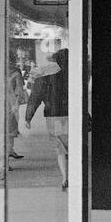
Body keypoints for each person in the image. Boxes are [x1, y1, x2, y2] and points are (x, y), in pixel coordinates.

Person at [25, 50, 71, 188]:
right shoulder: (73, 74)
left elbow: (35, 98)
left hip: (53, 115)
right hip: (71, 114)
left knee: (60, 147)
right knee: (71, 144)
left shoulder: (45, 76)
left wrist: (28, 117)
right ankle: (74, 174)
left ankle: (65, 177)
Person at [7, 50, 28, 163]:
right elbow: (20, 91)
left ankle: (8, 155)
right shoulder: (16, 73)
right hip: (11, 105)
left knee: (6, 131)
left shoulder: (14, 73)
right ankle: (8, 154)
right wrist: (16, 104)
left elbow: (19, 91)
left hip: (8, 104)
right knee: (9, 131)